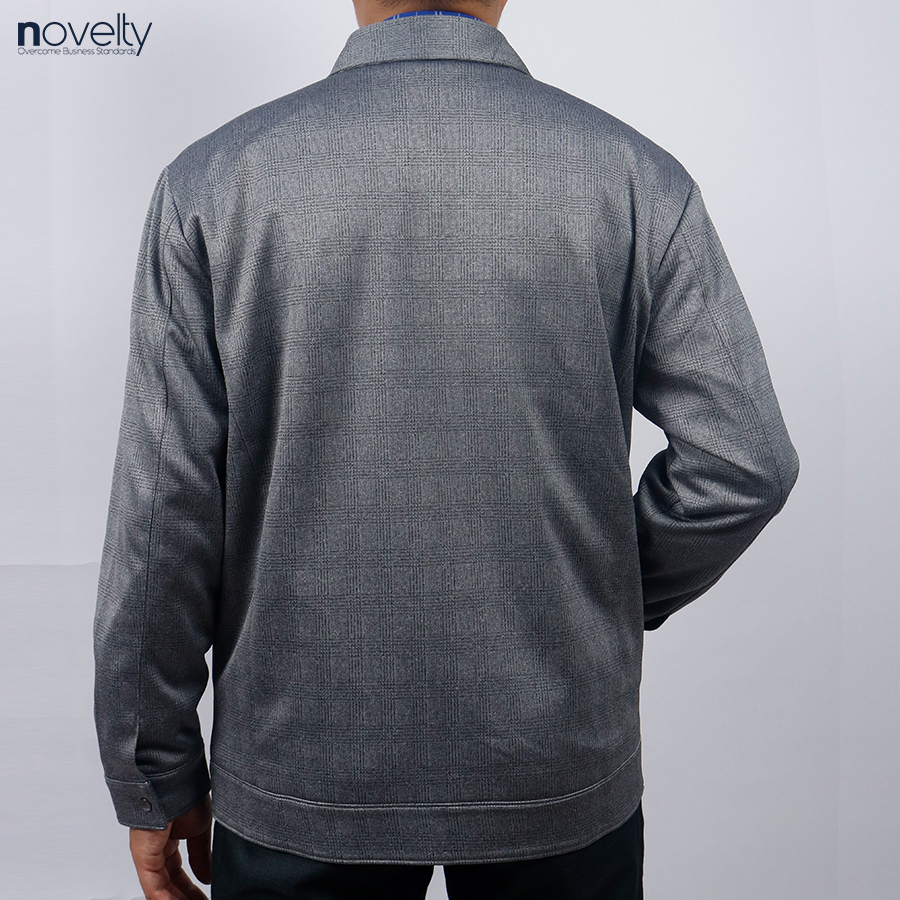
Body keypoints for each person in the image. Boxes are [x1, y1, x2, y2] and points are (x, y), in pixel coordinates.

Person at [93, 1, 800, 897]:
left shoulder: (213, 183)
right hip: (554, 756)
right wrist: (593, 597)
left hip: (302, 759)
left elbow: (162, 517)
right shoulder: (634, 179)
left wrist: (154, 772)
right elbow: (744, 461)